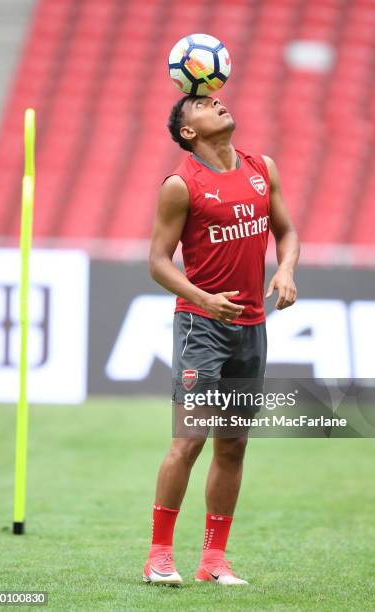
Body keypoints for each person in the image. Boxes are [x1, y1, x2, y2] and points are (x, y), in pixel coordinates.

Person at [143, 94, 300, 586]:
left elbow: (287, 231)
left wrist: (287, 269)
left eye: (215, 97)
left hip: (252, 328)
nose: (216, 101)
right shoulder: (180, 184)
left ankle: (213, 562)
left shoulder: (262, 167)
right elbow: (158, 262)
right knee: (189, 440)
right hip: (201, 326)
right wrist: (203, 298)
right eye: (200, 104)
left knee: (232, 445)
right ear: (187, 131)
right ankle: (159, 556)